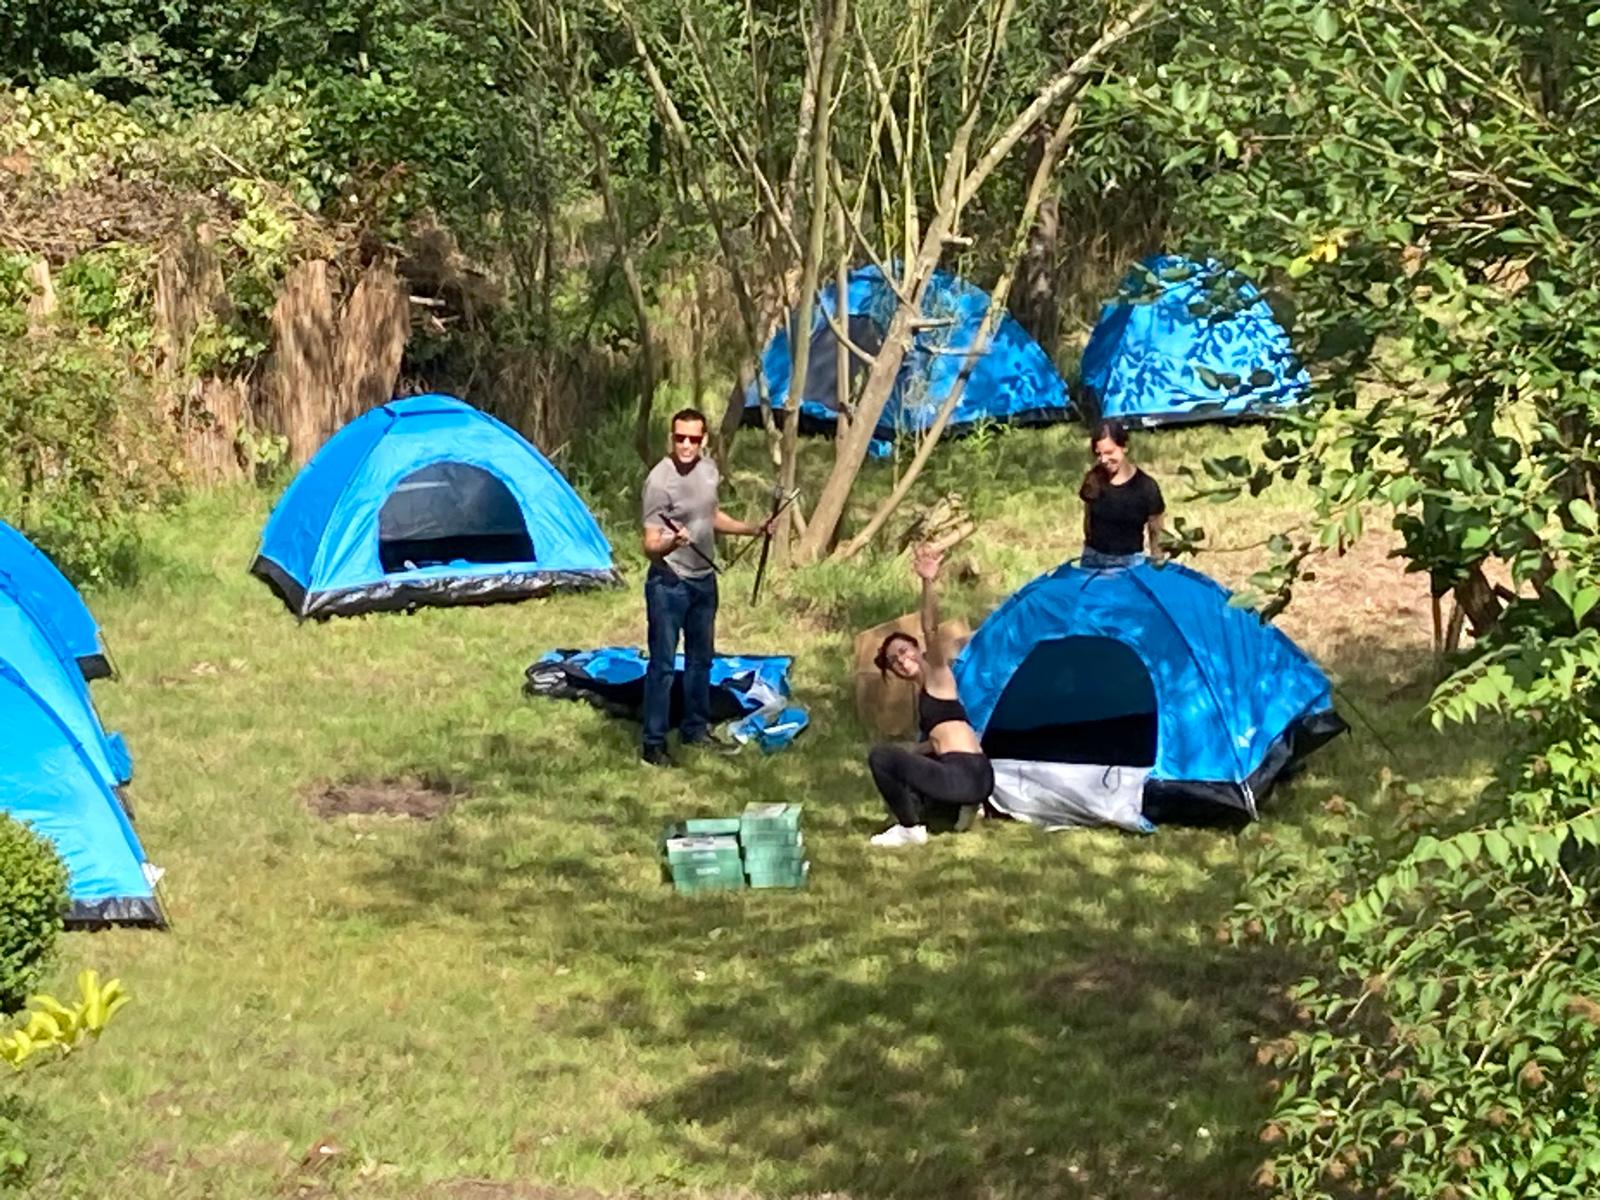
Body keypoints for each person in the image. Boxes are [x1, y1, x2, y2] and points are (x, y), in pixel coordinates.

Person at [639, 407, 772, 767]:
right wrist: (672, 543)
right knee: (663, 666)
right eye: (679, 437)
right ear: (671, 437)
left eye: (693, 439)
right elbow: (649, 545)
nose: (685, 445)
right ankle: (653, 744)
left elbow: (710, 516)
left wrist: (752, 529)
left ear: (704, 440)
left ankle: (695, 730)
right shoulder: (659, 482)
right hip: (669, 583)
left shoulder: (709, 469)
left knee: (701, 661)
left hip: (704, 581)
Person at [865, 545, 994, 847]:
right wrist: (910, 753)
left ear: (918, 650)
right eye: (894, 661)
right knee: (906, 758)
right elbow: (936, 741)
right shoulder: (927, 694)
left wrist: (927, 581)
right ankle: (962, 809)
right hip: (978, 775)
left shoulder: (937, 674)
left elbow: (931, 628)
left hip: (964, 773)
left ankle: (910, 829)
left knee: (880, 757)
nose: (901, 660)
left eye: (904, 651)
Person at [1079, 419, 1165, 569]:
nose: (1104, 460)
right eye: (1099, 454)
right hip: (1093, 559)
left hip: (1129, 563)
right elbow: (1088, 521)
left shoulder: (1146, 487)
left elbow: (1157, 532)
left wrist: (1157, 565)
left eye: (1109, 452)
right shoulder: (1092, 480)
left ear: (1124, 447)